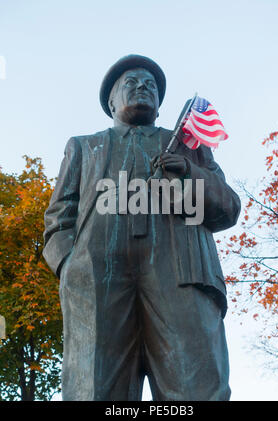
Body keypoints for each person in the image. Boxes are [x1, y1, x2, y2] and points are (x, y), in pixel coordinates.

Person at [43, 54, 241, 401]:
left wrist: (189, 172)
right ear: (111, 100)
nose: (143, 89)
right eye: (131, 83)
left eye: (150, 85)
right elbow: (59, 217)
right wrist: (71, 265)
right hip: (98, 276)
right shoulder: (84, 146)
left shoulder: (189, 146)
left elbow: (227, 208)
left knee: (196, 387)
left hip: (181, 271)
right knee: (94, 388)